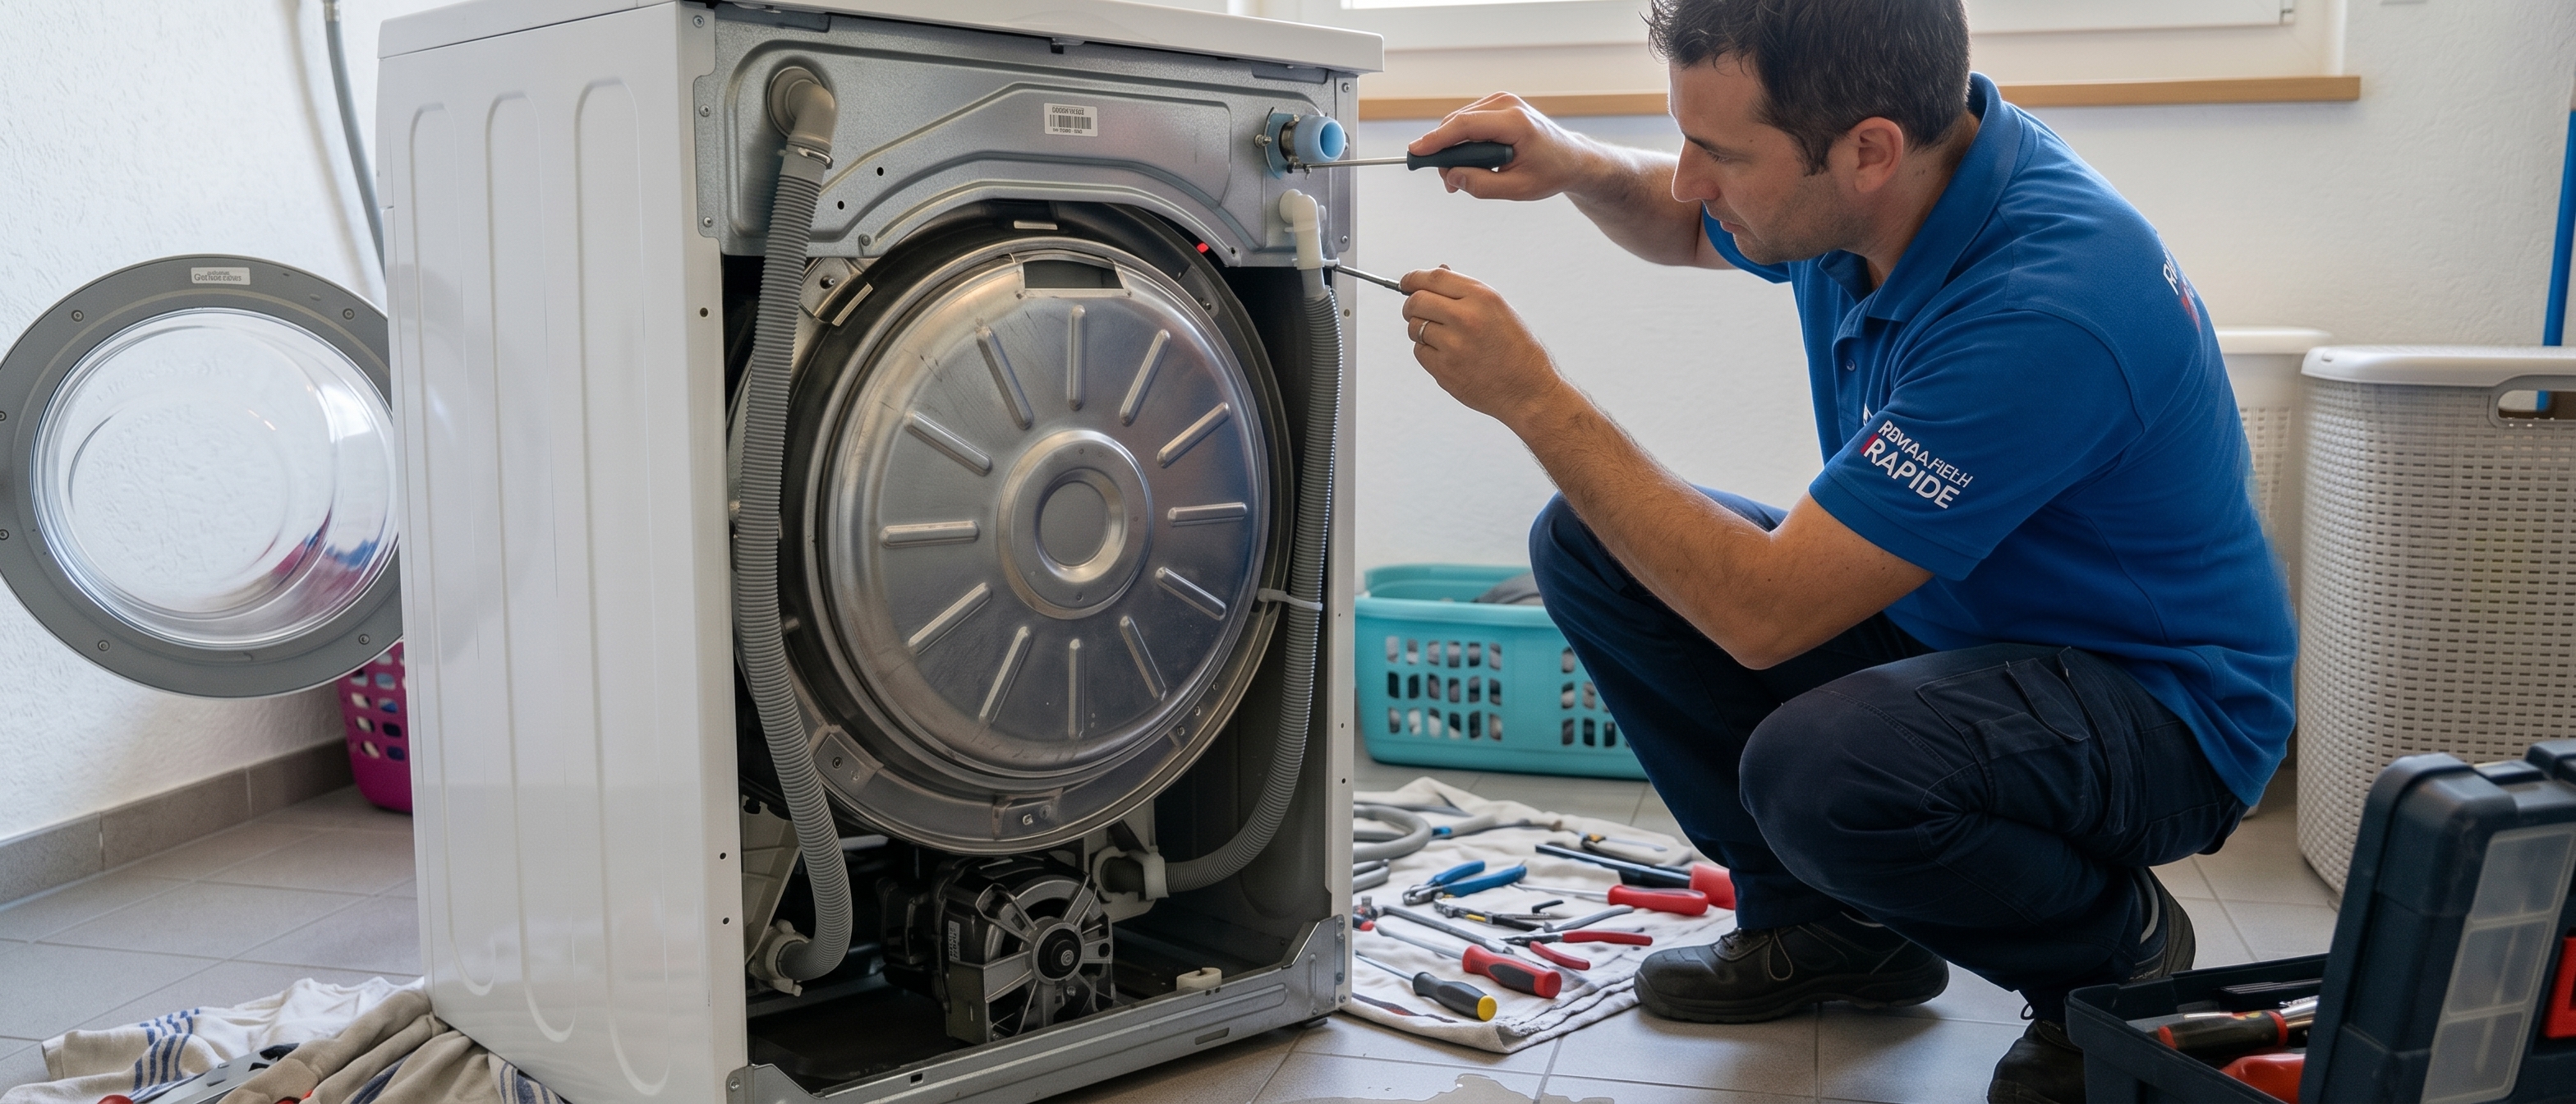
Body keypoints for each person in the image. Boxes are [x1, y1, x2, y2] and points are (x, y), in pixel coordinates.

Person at [1387, 0, 2296, 1100]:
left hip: (2162, 708)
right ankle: (1829, 934)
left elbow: (1763, 614)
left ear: (1868, 151)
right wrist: (1569, 158)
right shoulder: (1882, 193)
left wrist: (1532, 399)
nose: (1687, 179)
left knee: (1823, 770)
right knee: (1591, 544)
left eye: (1718, 152)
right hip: (1962, 627)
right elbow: (1683, 225)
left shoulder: (2047, 306)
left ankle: (2107, 958)